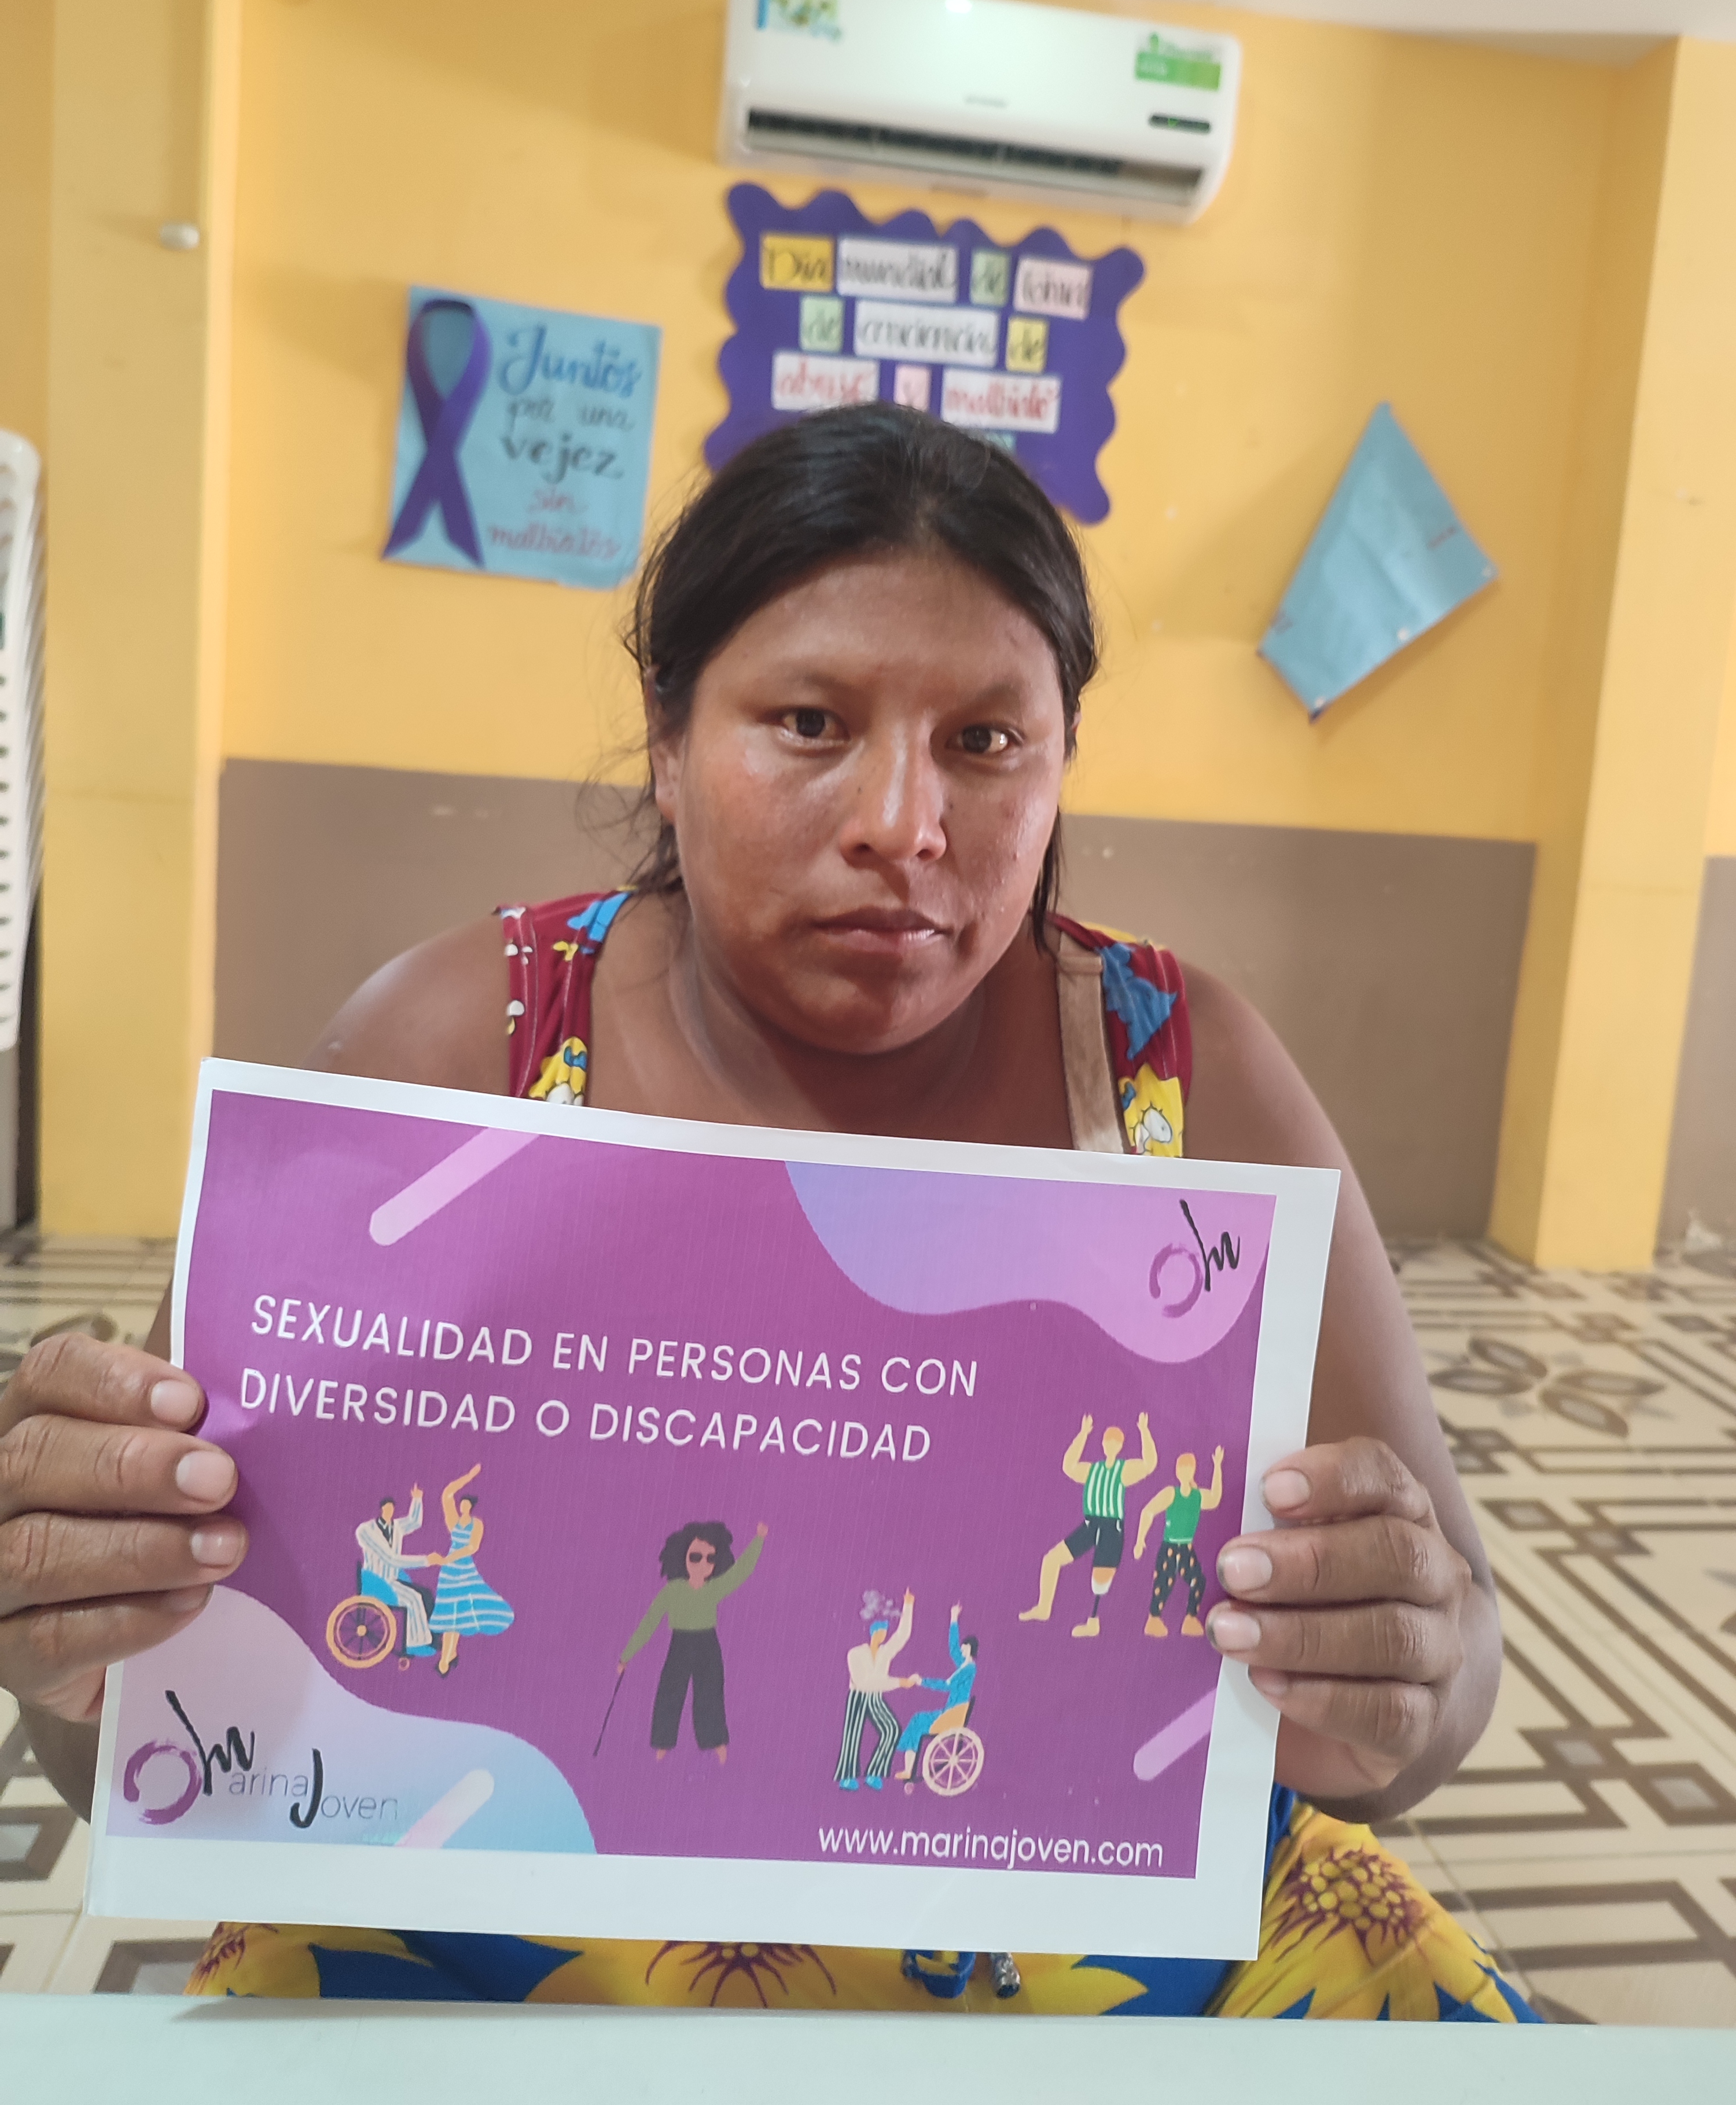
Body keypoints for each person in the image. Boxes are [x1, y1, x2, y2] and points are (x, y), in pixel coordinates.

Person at [0, 405, 1532, 2019]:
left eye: (985, 741)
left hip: (1084, 1940)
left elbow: (1434, 1698)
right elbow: (125, 1750)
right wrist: (73, 1631)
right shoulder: (458, 1059)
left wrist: (1399, 1676)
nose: (902, 822)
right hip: (503, 1928)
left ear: (1061, 758)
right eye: (809, 721)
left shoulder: (1177, 1082)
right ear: (666, 740)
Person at [620, 1519, 765, 1764]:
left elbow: (741, 1572)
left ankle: (716, 1742)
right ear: (682, 1556)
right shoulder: (672, 1590)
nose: (702, 1564)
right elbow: (649, 1623)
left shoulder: (714, 1588)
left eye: (710, 1558)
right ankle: (663, 1743)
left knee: (710, 1693)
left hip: (708, 1644)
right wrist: (626, 1656)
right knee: (670, 1691)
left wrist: (759, 1540)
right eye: (695, 1557)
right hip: (680, 1644)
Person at [1019, 1411, 1157, 1636]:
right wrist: (1083, 1434)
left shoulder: (1124, 1470)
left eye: (1115, 1442)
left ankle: (1093, 1622)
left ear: (1120, 1446)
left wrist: (1144, 1431)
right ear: (1103, 1444)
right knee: (1052, 1559)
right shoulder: (1092, 1470)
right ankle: (1044, 1608)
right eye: (1107, 1442)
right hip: (1090, 1525)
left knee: (1101, 1578)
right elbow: (1069, 1466)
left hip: (1111, 1527)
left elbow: (1149, 1464)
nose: (1110, 1446)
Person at [424, 1464, 514, 1676]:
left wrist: (449, 1558)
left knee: (460, 1613)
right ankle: (448, 1655)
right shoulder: (454, 1522)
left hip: (463, 1568)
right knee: (449, 1614)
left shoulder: (477, 1524)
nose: (462, 1506)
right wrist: (469, 1476)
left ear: (471, 1507)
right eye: (461, 1504)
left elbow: (472, 1547)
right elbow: (447, 1495)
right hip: (449, 1572)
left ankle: (449, 1655)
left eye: (466, 1504)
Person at [1135, 1446, 1226, 1638]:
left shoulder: (1197, 1496)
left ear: (1194, 1471)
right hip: (1169, 1547)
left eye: (1189, 1469)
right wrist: (1140, 1539)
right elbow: (1148, 1511)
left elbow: (1215, 1499)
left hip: (1186, 1548)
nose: (1185, 1472)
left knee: (1198, 1580)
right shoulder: (1171, 1493)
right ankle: (1154, 1619)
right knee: (1164, 1582)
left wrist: (1217, 1467)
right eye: (1182, 1469)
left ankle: (1190, 1619)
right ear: (1177, 1471)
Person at [835, 1589, 917, 1791]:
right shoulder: (856, 1654)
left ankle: (875, 1772)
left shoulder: (884, 1653)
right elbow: (864, 1683)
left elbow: (902, 1636)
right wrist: (899, 1682)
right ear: (873, 1632)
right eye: (881, 1631)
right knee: (853, 1735)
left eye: (885, 1631)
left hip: (875, 1698)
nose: (884, 1635)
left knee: (892, 1729)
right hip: (858, 1697)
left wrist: (908, 1604)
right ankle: (847, 1776)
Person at [892, 1603, 977, 1788]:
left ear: (970, 1649)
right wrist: (953, 1619)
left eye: (964, 1647)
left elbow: (947, 1685)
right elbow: (953, 1649)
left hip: (952, 1714)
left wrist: (921, 1681)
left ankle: (909, 1767)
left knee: (918, 1722)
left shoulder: (969, 1669)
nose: (961, 1650)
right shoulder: (965, 1665)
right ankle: (908, 1767)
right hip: (950, 1711)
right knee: (917, 1720)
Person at [354, 1485, 437, 1658]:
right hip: (376, 1581)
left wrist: (417, 1500)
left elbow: (414, 1522)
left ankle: (419, 1642)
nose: (390, 1512)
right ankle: (414, 1644)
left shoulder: (396, 1527)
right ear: (381, 1510)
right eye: (387, 1509)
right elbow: (391, 1558)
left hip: (391, 1579)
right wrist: (426, 1560)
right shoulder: (366, 1531)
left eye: (392, 1509)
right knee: (411, 1600)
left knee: (417, 1597)